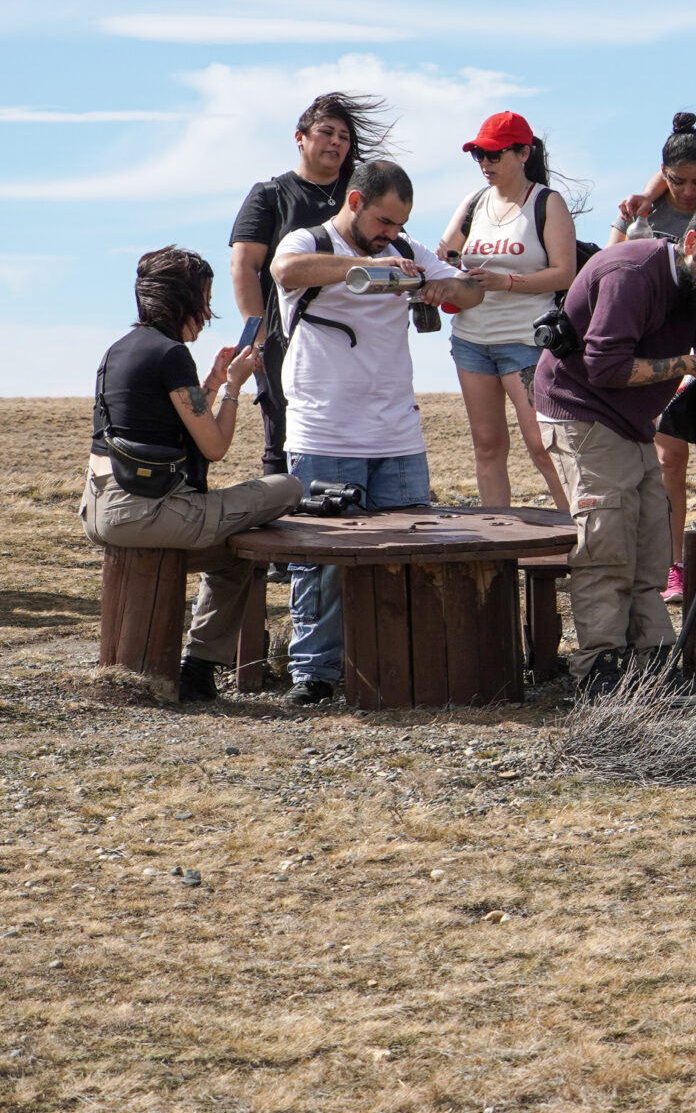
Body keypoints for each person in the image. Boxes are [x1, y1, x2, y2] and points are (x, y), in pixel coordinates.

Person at [269, 159, 483, 705]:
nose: (391, 234)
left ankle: (400, 664)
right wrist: (365, 268)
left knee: (408, 554)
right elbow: (286, 270)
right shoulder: (309, 240)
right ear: (355, 202)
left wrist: (441, 286)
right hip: (324, 435)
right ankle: (314, 674)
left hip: (398, 437)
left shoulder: (406, 249)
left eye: (399, 225)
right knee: (322, 561)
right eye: (384, 221)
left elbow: (471, 293)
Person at [532, 204, 696, 693]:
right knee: (607, 543)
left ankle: (652, 661)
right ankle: (598, 668)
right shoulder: (631, 273)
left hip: (632, 422)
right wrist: (688, 365)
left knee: (650, 545)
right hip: (582, 410)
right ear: (692, 242)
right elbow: (605, 369)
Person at [82, 249, 305, 701]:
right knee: (288, 487)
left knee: (233, 558)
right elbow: (214, 446)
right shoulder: (172, 354)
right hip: (149, 513)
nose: (207, 313)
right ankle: (198, 666)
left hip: (100, 509)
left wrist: (214, 382)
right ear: (182, 300)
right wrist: (236, 386)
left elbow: (180, 424)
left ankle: (199, 671)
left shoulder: (120, 349)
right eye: (204, 300)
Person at [228, 92, 389, 476]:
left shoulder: (360, 197)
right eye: (326, 132)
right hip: (287, 341)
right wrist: (260, 339)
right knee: (283, 442)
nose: (336, 142)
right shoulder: (270, 196)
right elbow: (244, 267)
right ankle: (283, 511)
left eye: (344, 137)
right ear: (299, 138)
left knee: (366, 439)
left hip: (361, 342)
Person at [614, 112, 696, 598]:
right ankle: (671, 565)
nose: (686, 191)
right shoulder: (643, 212)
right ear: (663, 174)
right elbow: (612, 263)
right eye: (677, 181)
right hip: (659, 345)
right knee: (668, 459)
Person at [437, 111, 575, 511]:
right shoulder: (473, 202)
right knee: (487, 444)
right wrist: (447, 269)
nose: (485, 162)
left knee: (543, 445)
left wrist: (506, 281)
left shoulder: (547, 202)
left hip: (525, 340)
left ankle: (579, 535)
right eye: (478, 154)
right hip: (471, 340)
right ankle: (496, 536)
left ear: (523, 153)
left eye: (494, 154)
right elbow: (443, 256)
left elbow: (565, 273)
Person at [610, 113, 696, 244]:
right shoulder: (638, 209)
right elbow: (608, 256)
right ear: (663, 171)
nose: (688, 192)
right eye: (678, 181)